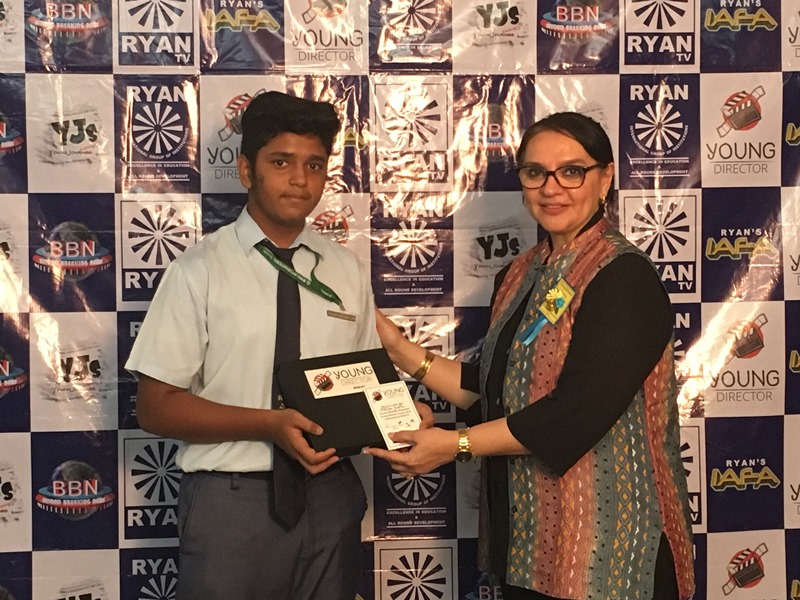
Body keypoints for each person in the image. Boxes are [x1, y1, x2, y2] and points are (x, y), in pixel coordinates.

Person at [368, 112, 695, 600]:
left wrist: (454, 445)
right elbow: (497, 394)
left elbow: (573, 415)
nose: (551, 188)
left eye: (572, 171)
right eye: (535, 172)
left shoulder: (623, 277)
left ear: (605, 177)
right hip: (531, 550)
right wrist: (398, 348)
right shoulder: (520, 273)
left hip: (613, 553)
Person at [126, 91, 432, 600]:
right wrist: (269, 424)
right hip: (232, 502)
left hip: (330, 495)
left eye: (314, 164)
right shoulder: (198, 271)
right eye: (281, 162)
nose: (300, 180)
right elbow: (156, 408)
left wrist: (400, 414)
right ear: (247, 170)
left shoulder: (345, 270)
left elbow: (361, 384)